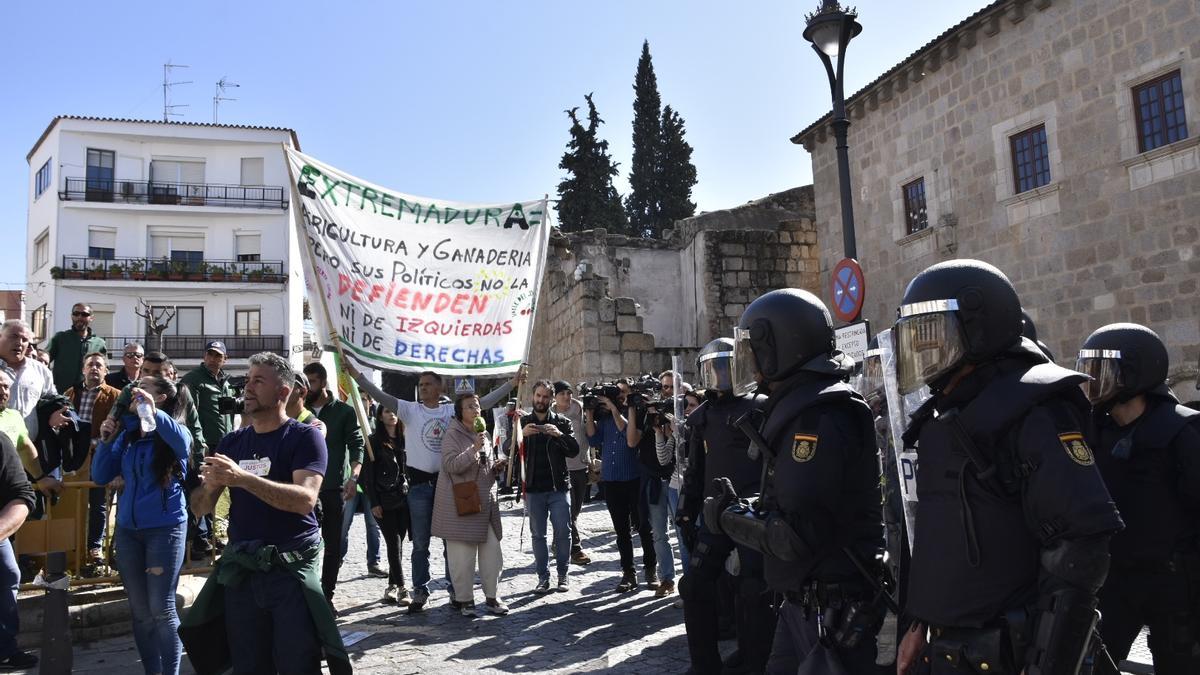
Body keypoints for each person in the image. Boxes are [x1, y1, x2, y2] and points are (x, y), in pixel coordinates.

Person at [891, 260, 1124, 675]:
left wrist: (1047, 663)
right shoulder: (948, 412)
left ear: (978, 327)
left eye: (934, 333)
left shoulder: (1032, 408)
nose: (923, 350)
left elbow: (1080, 549)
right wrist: (920, 621)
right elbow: (942, 536)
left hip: (1010, 652)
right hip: (950, 648)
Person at [706, 289, 886, 673]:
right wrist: (747, 506)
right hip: (804, 604)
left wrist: (728, 518)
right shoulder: (803, 407)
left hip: (831, 611)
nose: (750, 364)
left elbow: (797, 534)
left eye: (755, 350)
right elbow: (789, 500)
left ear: (780, 347)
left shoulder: (819, 417)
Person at [180, 352, 349, 675]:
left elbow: (305, 500)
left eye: (259, 381)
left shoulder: (306, 437)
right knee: (249, 666)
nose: (248, 388)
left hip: (290, 574)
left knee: (297, 665)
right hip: (243, 573)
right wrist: (205, 485)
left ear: (283, 393)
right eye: (247, 380)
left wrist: (242, 479)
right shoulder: (231, 443)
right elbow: (201, 507)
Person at [346, 359, 519, 613]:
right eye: (420, 384)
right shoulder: (410, 410)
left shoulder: (451, 411)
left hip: (449, 486)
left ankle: (455, 591)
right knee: (420, 544)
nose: (422, 388)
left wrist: (513, 384)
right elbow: (378, 394)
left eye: (428, 384)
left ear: (440, 387)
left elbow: (485, 402)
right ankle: (420, 591)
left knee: (454, 542)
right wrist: (357, 376)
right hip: (419, 486)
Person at [1077, 323, 1200, 673]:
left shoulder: (1183, 432)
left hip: (1175, 588)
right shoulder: (1093, 431)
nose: (1092, 381)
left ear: (1134, 372)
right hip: (1114, 581)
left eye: (1103, 371)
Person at [678, 338, 774, 674]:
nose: (719, 375)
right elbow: (694, 470)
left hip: (753, 514)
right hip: (714, 513)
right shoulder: (701, 417)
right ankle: (704, 664)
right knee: (693, 585)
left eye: (725, 367)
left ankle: (753, 659)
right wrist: (687, 509)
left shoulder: (763, 406)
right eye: (713, 368)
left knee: (752, 589)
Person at [92, 376, 191, 675]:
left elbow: (183, 442)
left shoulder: (174, 432)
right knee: (140, 612)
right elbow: (99, 475)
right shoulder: (129, 436)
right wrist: (107, 439)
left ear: (161, 398)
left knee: (162, 609)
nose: (134, 391)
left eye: (145, 388)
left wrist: (154, 414)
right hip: (128, 531)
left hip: (165, 530)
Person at [431, 393, 509, 617]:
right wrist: (474, 448)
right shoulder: (452, 435)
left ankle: (493, 597)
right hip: (462, 505)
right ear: (459, 413)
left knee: (492, 554)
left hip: (486, 504)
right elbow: (451, 465)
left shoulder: (482, 433)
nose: (476, 410)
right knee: (461, 557)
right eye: (470, 407)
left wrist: (496, 467)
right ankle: (465, 601)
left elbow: (484, 465)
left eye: (477, 405)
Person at [299, 361, 365, 609]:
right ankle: (307, 593)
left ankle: (327, 595)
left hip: (332, 488)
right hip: (303, 489)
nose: (307, 387)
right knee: (305, 543)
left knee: (333, 544)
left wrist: (354, 477)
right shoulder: (298, 411)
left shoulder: (343, 412)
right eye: (306, 382)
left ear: (323, 383)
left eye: (312, 382)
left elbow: (357, 446)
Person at [586, 379, 657, 592]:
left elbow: (628, 435)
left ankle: (651, 569)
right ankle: (628, 573)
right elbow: (592, 440)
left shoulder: (633, 413)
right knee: (621, 531)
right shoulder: (605, 418)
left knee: (644, 527)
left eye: (622, 394)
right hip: (612, 481)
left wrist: (615, 408)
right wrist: (589, 412)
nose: (620, 397)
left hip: (634, 479)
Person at [520, 380, 581, 593]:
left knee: (563, 532)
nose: (540, 400)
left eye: (545, 397)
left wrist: (558, 434)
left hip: (558, 487)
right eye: (538, 396)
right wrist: (521, 436)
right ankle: (543, 577)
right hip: (534, 488)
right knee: (538, 535)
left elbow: (574, 451)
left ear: (551, 399)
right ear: (533, 396)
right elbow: (509, 450)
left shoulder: (562, 422)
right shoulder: (523, 422)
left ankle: (563, 574)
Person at [63, 352, 121, 574]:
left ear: (106, 371)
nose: (94, 368)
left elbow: (118, 428)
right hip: (75, 459)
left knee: (98, 504)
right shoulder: (70, 393)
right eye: (90, 365)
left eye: (99, 365)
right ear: (83, 370)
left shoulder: (115, 395)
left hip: (100, 457)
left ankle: (94, 547)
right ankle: (73, 546)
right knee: (74, 502)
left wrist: (96, 444)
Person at [0, 383, 38, 670]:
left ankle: (5, 648)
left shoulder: (2, 441)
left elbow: (22, 494)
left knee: (8, 573)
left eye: (5, 387)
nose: (3, 391)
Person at [627, 386, 677, 596]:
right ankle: (667, 578)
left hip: (675, 480)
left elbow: (668, 452)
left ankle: (690, 580)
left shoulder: (672, 414)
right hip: (654, 481)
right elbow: (631, 442)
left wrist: (667, 421)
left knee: (683, 533)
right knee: (659, 533)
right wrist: (633, 409)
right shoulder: (641, 416)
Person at [363, 405, 411, 606]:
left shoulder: (406, 439)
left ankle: (390, 586)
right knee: (393, 542)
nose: (392, 415)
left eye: (394, 411)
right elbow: (366, 477)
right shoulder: (373, 442)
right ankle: (401, 588)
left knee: (399, 543)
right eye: (386, 412)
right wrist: (374, 502)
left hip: (405, 498)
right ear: (380, 417)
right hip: (384, 500)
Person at [552, 381, 593, 566]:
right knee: (568, 510)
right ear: (555, 396)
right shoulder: (551, 414)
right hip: (562, 468)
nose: (566, 397)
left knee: (575, 510)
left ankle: (557, 541)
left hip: (581, 465)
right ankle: (576, 548)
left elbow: (588, 434)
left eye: (568, 393)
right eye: (562, 394)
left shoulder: (581, 409)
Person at [46, 302, 107, 394]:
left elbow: (105, 369)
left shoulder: (99, 343)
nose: (79, 317)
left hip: (89, 395)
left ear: (91, 318)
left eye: (84, 314)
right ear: (71, 316)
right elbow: (44, 360)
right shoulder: (60, 338)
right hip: (62, 394)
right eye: (76, 314)